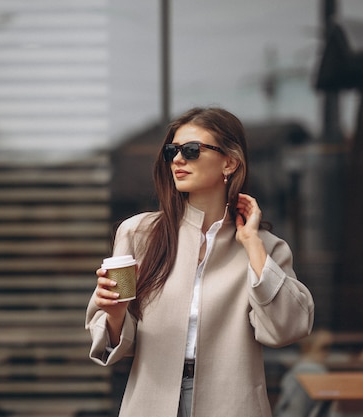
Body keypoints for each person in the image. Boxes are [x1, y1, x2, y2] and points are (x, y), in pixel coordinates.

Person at [85, 106, 315, 417]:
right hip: (151, 401)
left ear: (229, 162)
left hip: (232, 404)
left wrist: (251, 244)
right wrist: (114, 315)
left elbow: (288, 328)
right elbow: (112, 344)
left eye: (191, 150)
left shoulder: (266, 248)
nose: (178, 160)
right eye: (172, 151)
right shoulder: (138, 234)